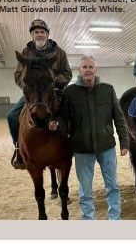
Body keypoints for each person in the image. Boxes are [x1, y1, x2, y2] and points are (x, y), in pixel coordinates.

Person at [53, 55, 129, 220]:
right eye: (84, 67)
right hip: (82, 149)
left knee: (113, 186)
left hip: (107, 147)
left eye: (90, 67)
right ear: (79, 70)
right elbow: (63, 118)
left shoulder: (108, 90)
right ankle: (88, 219)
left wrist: (125, 142)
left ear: (95, 69)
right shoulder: (70, 92)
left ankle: (115, 219)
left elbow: (119, 118)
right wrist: (56, 124)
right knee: (85, 190)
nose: (87, 70)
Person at [8, 19, 71, 169]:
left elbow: (67, 73)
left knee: (72, 111)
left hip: (54, 91)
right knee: (11, 116)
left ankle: (72, 142)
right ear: (32, 35)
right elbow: (18, 74)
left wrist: (54, 82)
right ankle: (18, 147)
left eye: (42, 32)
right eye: (36, 32)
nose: (39, 34)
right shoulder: (25, 52)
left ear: (47, 34)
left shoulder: (59, 52)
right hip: (33, 95)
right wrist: (25, 86)